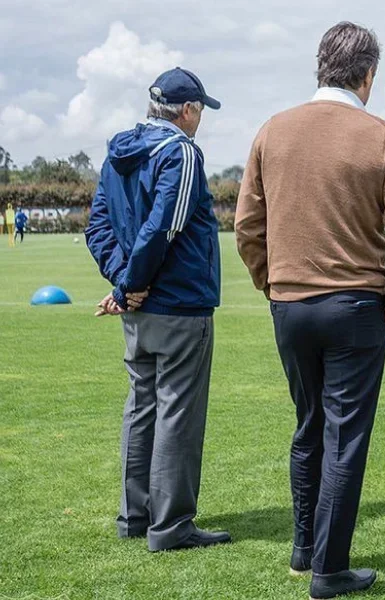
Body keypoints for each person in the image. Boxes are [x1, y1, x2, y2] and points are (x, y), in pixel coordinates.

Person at [235, 22, 385, 599]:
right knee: (345, 436)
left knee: (308, 425)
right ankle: (328, 568)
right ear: (368, 75)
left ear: (320, 67)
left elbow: (247, 226)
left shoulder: (272, 131)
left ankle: (302, 549)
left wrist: (272, 285)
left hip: (289, 303)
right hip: (356, 304)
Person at [83, 67, 227, 552]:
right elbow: (164, 227)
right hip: (179, 305)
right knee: (176, 414)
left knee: (141, 407)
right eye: (200, 110)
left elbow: (97, 228)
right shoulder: (181, 153)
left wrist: (124, 287)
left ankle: (134, 517)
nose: (200, 120)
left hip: (138, 309)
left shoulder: (117, 152)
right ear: (186, 111)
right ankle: (171, 527)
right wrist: (133, 284)